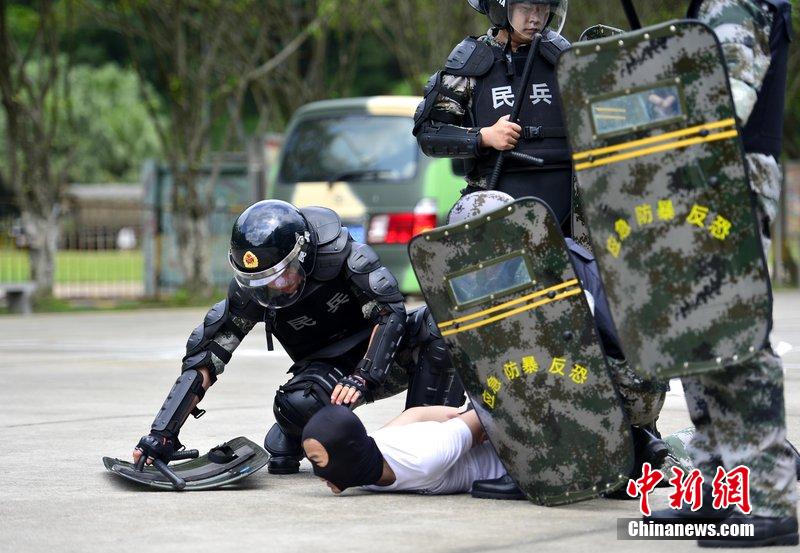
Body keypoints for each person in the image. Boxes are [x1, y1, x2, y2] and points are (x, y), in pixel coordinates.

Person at [132, 200, 464, 475]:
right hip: (327, 374)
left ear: (301, 255)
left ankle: (427, 439)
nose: (269, 288)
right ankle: (292, 430)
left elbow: (390, 312)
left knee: (442, 323)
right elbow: (206, 358)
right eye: (257, 281)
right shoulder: (253, 292)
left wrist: (364, 376)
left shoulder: (345, 257)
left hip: (384, 356)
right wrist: (162, 434)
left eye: (277, 276)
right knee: (297, 404)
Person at [646, 0, 797, 547]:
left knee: (736, 338)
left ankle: (771, 499)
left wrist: (643, 107)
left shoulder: (737, 2)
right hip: (700, 177)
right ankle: (715, 490)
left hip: (724, 178)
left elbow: (723, 102)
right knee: (698, 342)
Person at [447, 190, 671, 500]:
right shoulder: (542, 251)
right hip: (634, 382)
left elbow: (557, 346)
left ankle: (540, 472)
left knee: (519, 356)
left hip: (628, 386)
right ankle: (633, 449)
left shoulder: (542, 265)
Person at [413, 0, 574, 234]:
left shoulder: (563, 57)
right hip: (496, 213)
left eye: (542, 8)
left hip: (571, 214)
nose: (535, 18)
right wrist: (485, 136)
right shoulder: (473, 61)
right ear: (500, 9)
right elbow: (428, 133)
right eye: (526, 8)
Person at [302, 404, 505, 496]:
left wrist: (465, 420)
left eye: (317, 460)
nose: (318, 474)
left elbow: (486, 410)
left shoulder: (424, 457)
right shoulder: (367, 457)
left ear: (349, 453)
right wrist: (457, 414)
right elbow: (414, 414)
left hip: (508, 466)